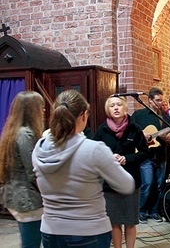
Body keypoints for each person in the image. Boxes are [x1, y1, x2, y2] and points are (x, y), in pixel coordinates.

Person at [31, 89, 135, 248]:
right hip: (88, 232)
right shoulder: (94, 149)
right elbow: (126, 185)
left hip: (50, 231)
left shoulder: (39, 147)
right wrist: (108, 163)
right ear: (84, 116)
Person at [94, 95, 150, 248]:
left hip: (130, 179)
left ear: (125, 108)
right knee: (114, 221)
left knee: (130, 221)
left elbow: (145, 153)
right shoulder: (102, 129)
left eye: (119, 105)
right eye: (112, 105)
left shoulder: (135, 127)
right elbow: (94, 153)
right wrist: (109, 157)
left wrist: (127, 158)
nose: (116, 108)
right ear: (108, 109)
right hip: (109, 183)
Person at [0, 91, 45, 248]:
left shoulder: (13, 131)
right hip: (27, 199)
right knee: (31, 244)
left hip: (16, 195)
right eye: (41, 107)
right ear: (31, 110)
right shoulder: (25, 134)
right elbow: (33, 171)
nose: (44, 110)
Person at [131, 87, 170, 224]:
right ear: (149, 100)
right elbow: (131, 131)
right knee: (147, 183)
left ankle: (155, 211)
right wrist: (143, 135)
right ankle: (141, 211)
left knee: (159, 185)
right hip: (146, 155)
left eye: (162, 100)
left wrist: (168, 135)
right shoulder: (139, 114)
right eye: (157, 100)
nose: (160, 103)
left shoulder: (164, 116)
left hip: (161, 155)